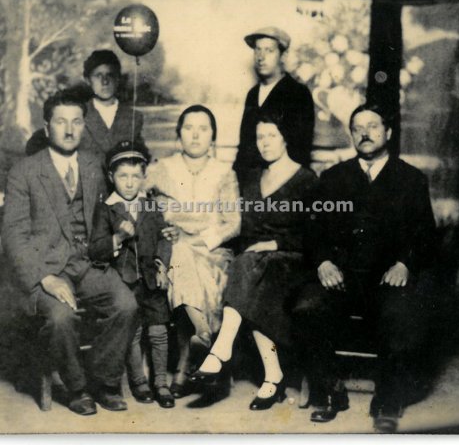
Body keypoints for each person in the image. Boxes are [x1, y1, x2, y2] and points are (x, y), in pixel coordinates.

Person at [293, 103, 437, 432]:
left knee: (399, 314)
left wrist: (404, 264)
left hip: (387, 278)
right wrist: (324, 262)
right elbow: (313, 231)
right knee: (306, 308)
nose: (365, 133)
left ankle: (387, 399)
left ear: (388, 132)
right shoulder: (333, 178)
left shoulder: (411, 179)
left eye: (372, 126)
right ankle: (331, 391)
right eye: (357, 128)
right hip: (342, 277)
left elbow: (426, 236)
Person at [2, 90, 138, 416]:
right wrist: (44, 278)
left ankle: (104, 381)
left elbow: (110, 210)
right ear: (47, 127)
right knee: (61, 318)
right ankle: (77, 388)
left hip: (87, 263)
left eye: (76, 122)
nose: (69, 130)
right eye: (61, 122)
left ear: (83, 126)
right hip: (46, 268)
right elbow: (14, 237)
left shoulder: (93, 165)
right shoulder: (24, 171)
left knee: (126, 305)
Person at [190, 113, 316, 411]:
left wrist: (277, 244)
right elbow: (243, 228)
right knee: (250, 273)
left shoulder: (306, 180)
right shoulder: (251, 178)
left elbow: (316, 234)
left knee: (248, 269)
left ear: (285, 138)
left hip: (294, 261)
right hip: (257, 263)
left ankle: (221, 349)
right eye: (260, 137)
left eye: (272, 135)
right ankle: (273, 376)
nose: (265, 143)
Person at [145, 104, 241, 398]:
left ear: (213, 137)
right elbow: (144, 211)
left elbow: (233, 223)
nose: (196, 135)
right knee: (181, 253)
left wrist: (199, 238)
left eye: (203, 129)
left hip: (213, 253)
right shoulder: (161, 169)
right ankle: (202, 339)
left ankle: (185, 363)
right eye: (189, 128)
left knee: (188, 256)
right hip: (173, 250)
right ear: (179, 135)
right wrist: (164, 229)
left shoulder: (224, 172)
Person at [88, 140, 175, 409]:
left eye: (135, 176)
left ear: (143, 176)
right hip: (124, 282)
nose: (129, 183)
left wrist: (162, 266)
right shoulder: (106, 209)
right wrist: (118, 236)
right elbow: (96, 249)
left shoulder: (150, 205)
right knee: (133, 333)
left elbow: (164, 238)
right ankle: (139, 382)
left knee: (158, 331)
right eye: (123, 176)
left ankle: (161, 383)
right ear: (111, 176)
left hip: (152, 278)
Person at [25, 49, 145, 166]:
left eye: (110, 75)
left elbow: (140, 157)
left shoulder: (134, 117)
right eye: (98, 76)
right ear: (88, 80)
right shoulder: (76, 113)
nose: (105, 82)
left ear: (118, 78)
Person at [233, 26, 315, 188]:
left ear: (283, 56)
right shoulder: (252, 94)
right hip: (250, 184)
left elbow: (300, 148)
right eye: (257, 50)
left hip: (285, 185)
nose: (261, 57)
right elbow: (245, 145)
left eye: (269, 50)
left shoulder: (298, 93)